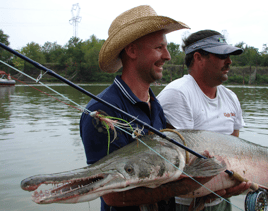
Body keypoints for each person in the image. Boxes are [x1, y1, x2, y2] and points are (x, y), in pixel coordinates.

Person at [80, 5, 189, 211]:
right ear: (131, 50)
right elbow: (111, 194)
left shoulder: (155, 105)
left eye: (166, 47)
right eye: (159, 47)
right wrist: (184, 186)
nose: (168, 56)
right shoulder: (101, 111)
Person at [157, 30, 251, 210]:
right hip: (186, 204)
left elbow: (235, 150)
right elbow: (177, 162)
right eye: (222, 55)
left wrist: (233, 184)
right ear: (199, 58)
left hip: (221, 199)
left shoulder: (231, 97)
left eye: (229, 56)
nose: (229, 61)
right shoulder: (179, 94)